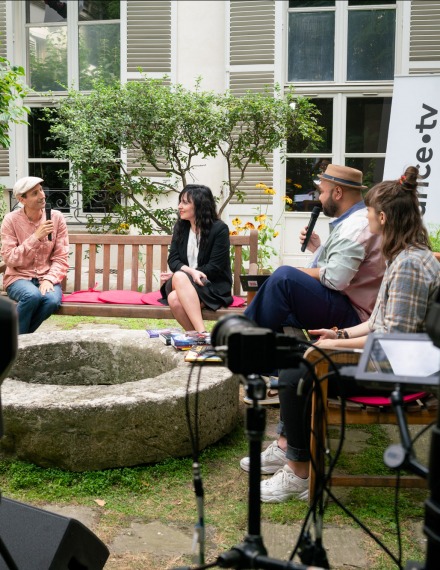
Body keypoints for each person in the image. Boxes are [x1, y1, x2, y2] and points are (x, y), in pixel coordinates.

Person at [249, 166, 440, 503]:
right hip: (391, 360)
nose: (365, 220)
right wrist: (340, 332)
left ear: (382, 216)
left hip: (397, 374)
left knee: (297, 370)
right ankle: (292, 452)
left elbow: (392, 340)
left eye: (367, 213)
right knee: (302, 354)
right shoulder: (404, 258)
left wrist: (337, 344)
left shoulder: (409, 265)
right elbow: (379, 322)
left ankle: (297, 471)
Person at [244, 164, 385, 335]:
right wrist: (318, 249)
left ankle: (239, 338)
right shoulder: (354, 222)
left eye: (322, 192)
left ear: (338, 193)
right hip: (347, 306)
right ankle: (254, 347)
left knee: (284, 278)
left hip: (356, 317)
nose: (320, 198)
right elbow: (339, 269)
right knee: (275, 305)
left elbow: (336, 278)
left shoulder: (356, 226)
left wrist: (303, 272)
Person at [1, 176, 69, 335]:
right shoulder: (10, 220)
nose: (42, 195)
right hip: (18, 278)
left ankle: (15, 341)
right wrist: (35, 237)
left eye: (41, 190)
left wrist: (49, 279)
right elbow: (10, 258)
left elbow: (61, 257)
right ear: (22, 199)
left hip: (46, 276)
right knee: (32, 296)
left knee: (52, 301)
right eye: (35, 193)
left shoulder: (56, 218)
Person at [160, 184, 233, 332]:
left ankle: (196, 338)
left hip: (210, 284)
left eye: (185, 202)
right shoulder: (181, 227)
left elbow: (215, 267)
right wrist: (189, 273)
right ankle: (203, 335)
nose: (180, 206)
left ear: (200, 205)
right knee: (180, 278)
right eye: (180, 202)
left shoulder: (219, 229)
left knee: (174, 299)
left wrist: (182, 275)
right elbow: (173, 260)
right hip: (182, 281)